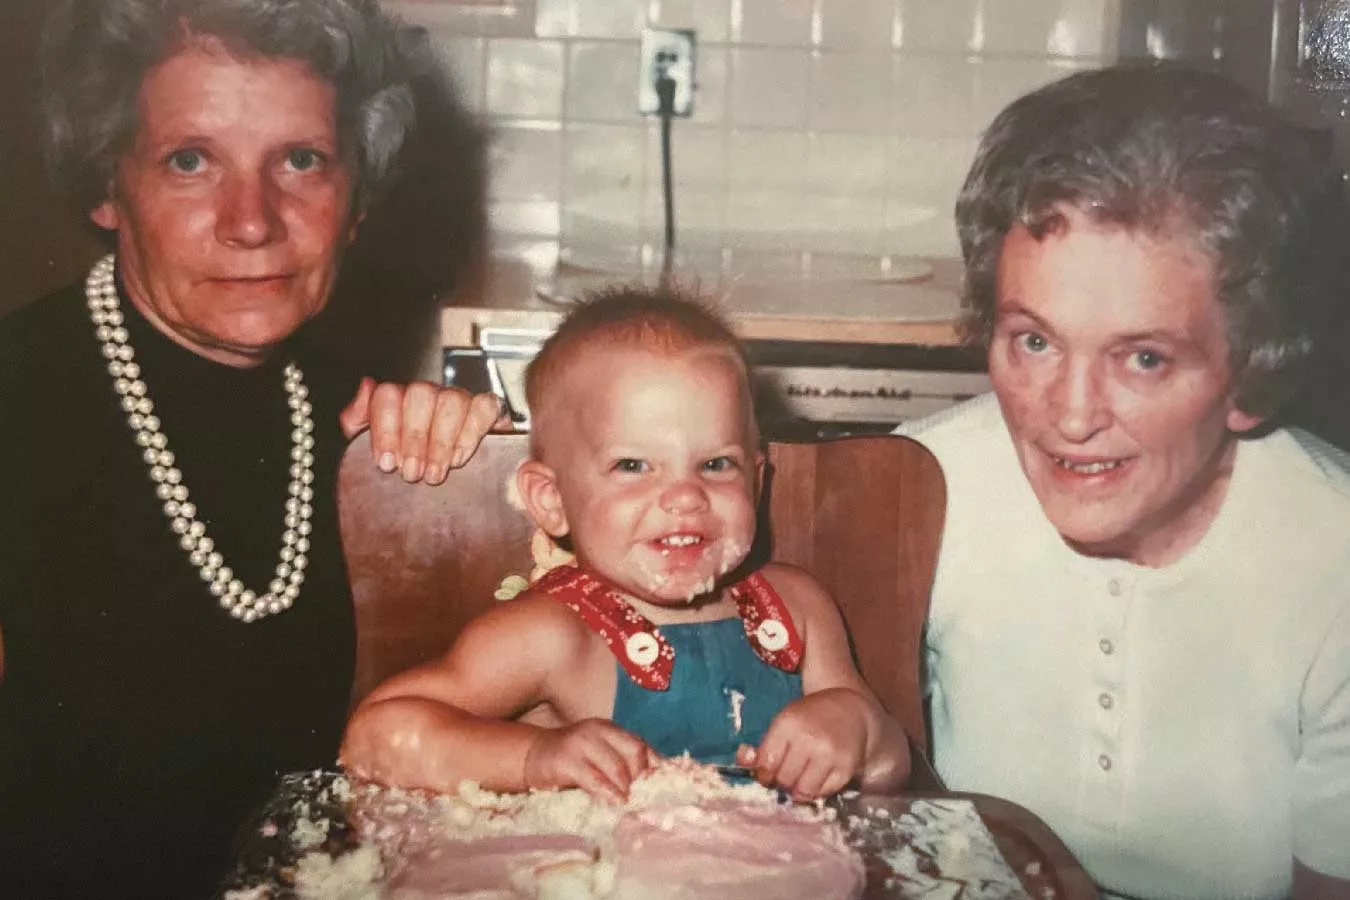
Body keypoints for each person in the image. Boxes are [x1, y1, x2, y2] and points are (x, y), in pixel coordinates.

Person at [0, 1, 501, 896]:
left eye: (301, 161)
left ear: (356, 199)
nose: (252, 221)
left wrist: (462, 481)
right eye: (190, 161)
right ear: (108, 189)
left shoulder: (355, 419)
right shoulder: (18, 405)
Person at [901, 65, 1350, 900]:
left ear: (1251, 371)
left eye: (1143, 358)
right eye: (1033, 341)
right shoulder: (913, 494)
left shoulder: (1335, 563)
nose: (1069, 417)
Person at [340, 286, 912, 805]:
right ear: (551, 499)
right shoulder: (551, 635)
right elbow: (373, 736)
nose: (685, 496)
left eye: (716, 464)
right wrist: (534, 758)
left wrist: (855, 727)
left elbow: (892, 765)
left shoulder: (798, 612)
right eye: (633, 465)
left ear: (757, 483)